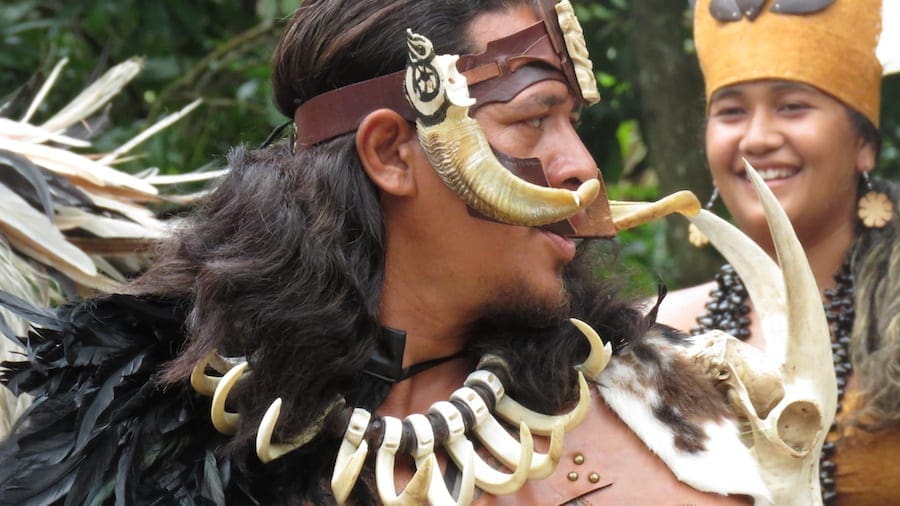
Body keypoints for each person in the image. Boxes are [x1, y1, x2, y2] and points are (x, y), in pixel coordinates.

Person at [0, 1, 776, 504]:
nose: (581, 169)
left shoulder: (674, 411)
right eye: (534, 119)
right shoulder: (137, 437)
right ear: (393, 152)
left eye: (572, 124)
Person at [658, 1, 900, 504]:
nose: (758, 138)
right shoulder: (659, 336)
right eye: (731, 112)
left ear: (864, 145)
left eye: (792, 106)